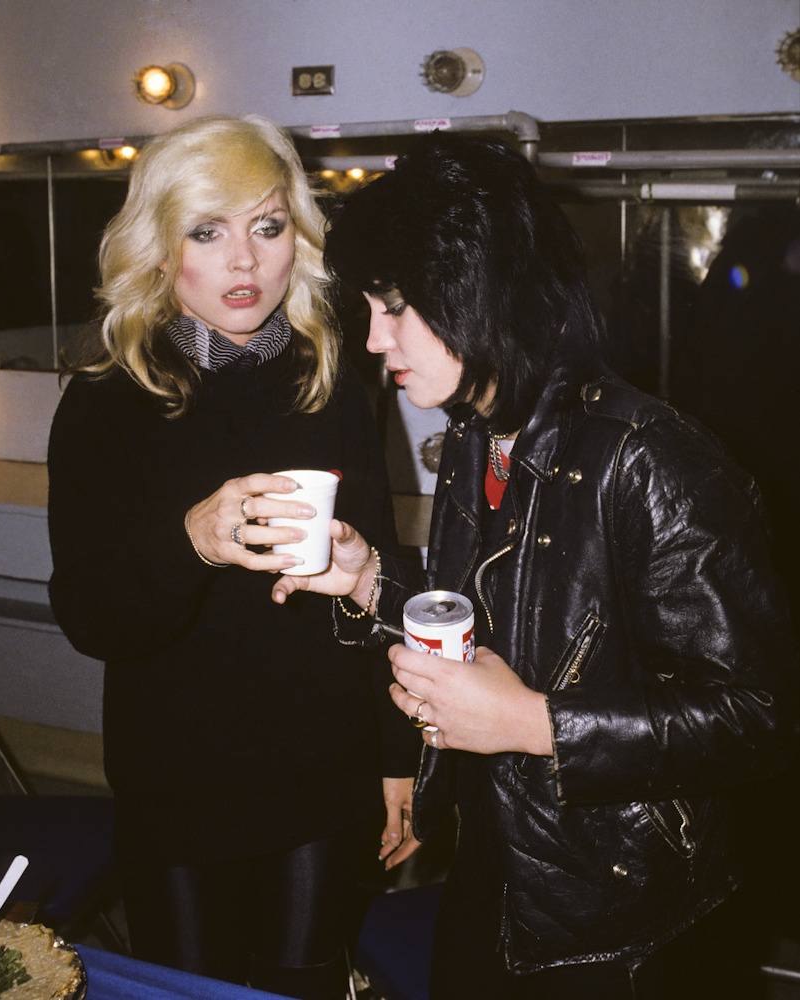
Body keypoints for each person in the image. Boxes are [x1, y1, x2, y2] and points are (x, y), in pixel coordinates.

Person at [271, 131, 798, 999]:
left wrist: (536, 725)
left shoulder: (653, 461)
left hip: (619, 913)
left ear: (480, 292)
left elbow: (759, 714)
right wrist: (368, 579)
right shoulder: (481, 438)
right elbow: (494, 628)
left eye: (395, 306)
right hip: (499, 858)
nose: (373, 339)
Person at [47, 114, 419, 1000]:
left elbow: (381, 572)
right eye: (206, 233)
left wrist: (399, 755)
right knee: (192, 987)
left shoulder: (333, 374)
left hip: (325, 762)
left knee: (305, 981)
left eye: (267, 226)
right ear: (160, 247)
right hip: (181, 774)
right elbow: (91, 616)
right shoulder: (105, 402)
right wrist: (190, 542)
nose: (244, 263)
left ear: (300, 233)